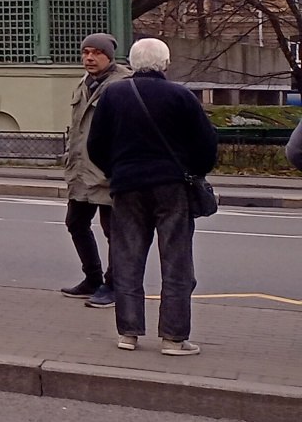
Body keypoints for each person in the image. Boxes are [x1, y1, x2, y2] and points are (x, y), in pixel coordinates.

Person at [87, 38, 216, 355]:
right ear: (166, 63)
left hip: (127, 184)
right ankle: (173, 337)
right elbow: (206, 145)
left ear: (131, 63)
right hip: (172, 186)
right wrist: (193, 172)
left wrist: (116, 170)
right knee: (176, 262)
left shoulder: (113, 95)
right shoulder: (181, 96)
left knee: (128, 259)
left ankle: (128, 333)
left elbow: (95, 145)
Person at [62, 33, 130, 308]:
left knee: (113, 231)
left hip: (107, 172)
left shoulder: (123, 85)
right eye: (85, 52)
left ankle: (113, 285)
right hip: (81, 170)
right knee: (75, 223)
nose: (89, 58)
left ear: (109, 56)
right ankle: (92, 278)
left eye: (96, 53)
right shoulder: (84, 83)